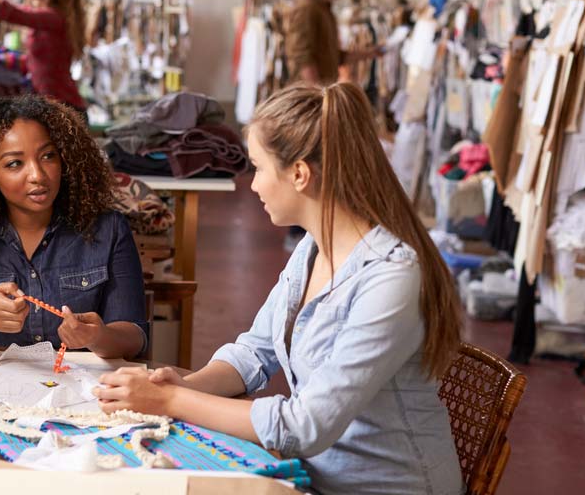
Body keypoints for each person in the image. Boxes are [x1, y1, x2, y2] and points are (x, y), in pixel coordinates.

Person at [93, 83, 464, 495]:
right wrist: (181, 386)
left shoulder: (391, 278)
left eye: (259, 168)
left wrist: (170, 403)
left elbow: (304, 426)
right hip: (316, 476)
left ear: (299, 175)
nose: (253, 185)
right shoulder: (313, 248)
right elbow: (254, 351)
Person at [0, 95, 146, 359]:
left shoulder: (108, 230)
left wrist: (98, 337)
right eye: (14, 163)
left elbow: (134, 337)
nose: (38, 175)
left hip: (80, 392)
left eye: (48, 156)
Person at [283, 0, 384, 252]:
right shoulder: (307, 9)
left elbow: (332, 55)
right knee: (306, 162)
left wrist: (368, 54)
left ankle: (309, 228)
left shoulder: (323, 9)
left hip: (319, 96)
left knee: (316, 163)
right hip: (311, 101)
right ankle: (297, 230)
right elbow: (303, 57)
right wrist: (316, 99)